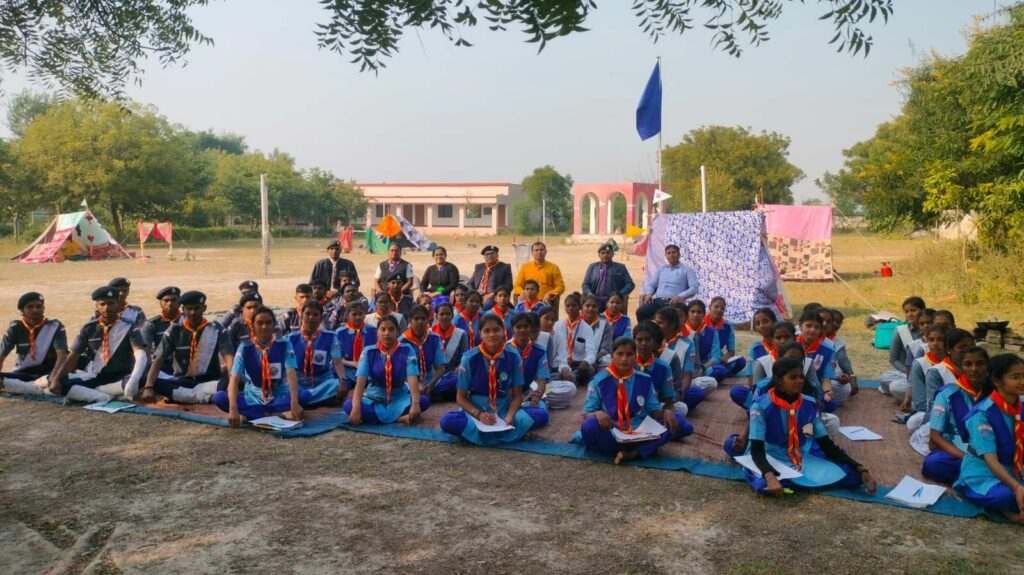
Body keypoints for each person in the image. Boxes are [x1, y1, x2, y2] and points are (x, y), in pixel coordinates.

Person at [729, 357, 877, 497]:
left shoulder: (810, 404)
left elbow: (827, 445)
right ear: (779, 380)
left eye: (801, 376)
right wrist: (769, 476)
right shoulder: (761, 406)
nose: (799, 381)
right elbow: (757, 449)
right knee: (765, 484)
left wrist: (860, 468)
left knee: (854, 476)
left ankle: (791, 481)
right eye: (793, 377)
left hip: (799, 455)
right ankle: (780, 479)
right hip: (769, 454)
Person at [439, 314, 548, 445]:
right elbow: (460, 397)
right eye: (487, 331)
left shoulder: (513, 356)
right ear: (480, 333)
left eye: (496, 330)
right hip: (476, 409)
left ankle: (485, 432)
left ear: (503, 331)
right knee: (447, 420)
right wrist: (479, 415)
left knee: (541, 415)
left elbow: (517, 396)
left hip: (504, 408)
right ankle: (510, 433)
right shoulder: (469, 358)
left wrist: (510, 416)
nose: (492, 334)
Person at [579, 337, 688, 464]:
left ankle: (633, 453)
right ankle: (642, 449)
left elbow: (653, 410)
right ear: (612, 356)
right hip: (611, 430)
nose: (624, 359)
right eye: (620, 354)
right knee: (589, 425)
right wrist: (597, 413)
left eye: (629, 354)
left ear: (635, 356)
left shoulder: (645, 379)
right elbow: (587, 413)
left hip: (638, 430)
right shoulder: (598, 381)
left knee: (676, 419)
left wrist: (665, 412)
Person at [955, 354, 1024, 522]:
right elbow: (991, 460)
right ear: (997, 381)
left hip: (1016, 471)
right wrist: (1016, 487)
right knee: (1007, 496)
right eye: (1016, 377)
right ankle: (1007, 509)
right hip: (983, 475)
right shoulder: (982, 415)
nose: (1022, 381)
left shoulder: (1021, 406)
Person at [214, 306, 310, 425]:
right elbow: (234, 379)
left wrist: (294, 403)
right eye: (260, 323)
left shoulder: (284, 345)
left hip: (278, 394)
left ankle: (253, 416)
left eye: (268, 323)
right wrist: (233, 409)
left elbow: (291, 373)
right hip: (253, 396)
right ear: (253, 326)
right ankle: (279, 415)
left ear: (274, 324)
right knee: (219, 398)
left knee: (305, 395)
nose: (264, 326)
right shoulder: (245, 348)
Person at [50, 286, 148, 403]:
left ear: (118, 305)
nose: (107, 307)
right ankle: (109, 396)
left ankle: (95, 394)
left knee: (138, 381)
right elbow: (72, 358)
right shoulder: (88, 328)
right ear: (97, 306)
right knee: (61, 385)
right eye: (102, 304)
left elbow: (140, 355)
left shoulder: (129, 326)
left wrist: (134, 379)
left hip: (122, 376)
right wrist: (56, 379)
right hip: (98, 376)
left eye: (111, 303)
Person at [140, 290, 233, 404]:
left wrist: (232, 382)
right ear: (183, 309)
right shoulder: (175, 330)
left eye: (197, 308)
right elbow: (159, 359)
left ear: (204, 308)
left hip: (210, 381)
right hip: (182, 381)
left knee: (233, 382)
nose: (193, 312)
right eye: (189, 309)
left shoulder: (216, 328)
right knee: (150, 383)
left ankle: (184, 396)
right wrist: (149, 387)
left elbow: (229, 356)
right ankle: (206, 398)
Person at [344, 315, 429, 425]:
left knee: (423, 401)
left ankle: (380, 418)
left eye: (391, 329)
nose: (387, 333)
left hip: (399, 398)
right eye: (383, 329)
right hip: (375, 398)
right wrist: (356, 408)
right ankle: (399, 419)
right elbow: (360, 382)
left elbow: (412, 378)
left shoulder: (407, 349)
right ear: (377, 332)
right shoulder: (368, 352)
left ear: (398, 332)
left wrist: (415, 404)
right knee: (348, 405)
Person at [923, 345, 989, 485]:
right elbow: (935, 436)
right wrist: (966, 458)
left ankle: (979, 476)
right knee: (934, 463)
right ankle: (984, 476)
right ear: (960, 367)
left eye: (980, 364)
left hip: (992, 451)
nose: (974, 369)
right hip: (961, 452)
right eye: (968, 364)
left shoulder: (997, 392)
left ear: (987, 366)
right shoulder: (948, 393)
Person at [633, 321, 694, 440]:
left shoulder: (663, 367)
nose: (643, 343)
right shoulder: (627, 363)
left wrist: (668, 412)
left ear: (655, 342)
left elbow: (669, 401)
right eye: (639, 340)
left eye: (648, 339)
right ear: (634, 341)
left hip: (654, 409)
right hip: (628, 410)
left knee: (685, 427)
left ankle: (654, 433)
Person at [0, 292, 68, 395]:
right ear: (22, 310)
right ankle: (35, 388)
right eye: (30, 307)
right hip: (23, 374)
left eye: (38, 306)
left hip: (48, 374)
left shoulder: (54, 326)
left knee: (59, 382)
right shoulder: (15, 328)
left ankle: (23, 387)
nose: (35, 310)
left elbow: (62, 355)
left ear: (43, 308)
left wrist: (55, 378)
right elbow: (1, 356)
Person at [287, 301, 345, 407]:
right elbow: (289, 368)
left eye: (315, 314)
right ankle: (315, 399)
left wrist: (343, 380)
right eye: (308, 313)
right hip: (299, 381)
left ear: (321, 318)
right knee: (287, 388)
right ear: (302, 315)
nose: (311, 317)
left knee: (337, 384)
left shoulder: (330, 337)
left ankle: (306, 399)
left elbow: (337, 362)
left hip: (323, 381)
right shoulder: (291, 338)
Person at [907, 324, 950, 455]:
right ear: (926, 340)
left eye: (940, 340)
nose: (935, 344)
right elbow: (921, 404)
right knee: (913, 422)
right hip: (932, 412)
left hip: (955, 413)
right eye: (931, 340)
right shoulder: (920, 363)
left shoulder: (956, 363)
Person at [652, 306, 700, 412]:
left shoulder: (687, 344)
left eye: (659, 323)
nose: (655, 326)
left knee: (689, 401)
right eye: (655, 322)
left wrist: (679, 393)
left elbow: (687, 375)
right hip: (652, 391)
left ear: (672, 325)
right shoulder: (651, 342)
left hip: (675, 387)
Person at [635, 244, 699, 322]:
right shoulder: (661, 269)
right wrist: (649, 293)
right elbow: (651, 285)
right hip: (657, 301)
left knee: (665, 318)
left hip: (673, 302)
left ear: (679, 255)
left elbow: (694, 288)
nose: (671, 255)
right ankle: (646, 329)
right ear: (666, 256)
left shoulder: (687, 270)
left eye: (674, 252)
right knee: (641, 312)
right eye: (668, 253)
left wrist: (680, 296)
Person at [880, 296, 927, 401]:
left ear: (922, 310)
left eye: (913, 310)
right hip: (909, 372)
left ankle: (918, 397)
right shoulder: (901, 330)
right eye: (906, 311)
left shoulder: (931, 329)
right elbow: (893, 359)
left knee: (895, 387)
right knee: (884, 378)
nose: (909, 314)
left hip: (928, 372)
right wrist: (908, 372)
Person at [508, 311, 551, 420]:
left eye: (525, 326)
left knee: (542, 414)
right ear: (512, 330)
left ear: (531, 328)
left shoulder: (539, 351)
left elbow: (542, 381)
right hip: (507, 395)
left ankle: (521, 415)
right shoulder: (504, 350)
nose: (522, 330)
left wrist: (535, 399)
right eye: (518, 327)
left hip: (528, 393)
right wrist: (519, 398)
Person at [400, 305, 446, 400]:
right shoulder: (402, 341)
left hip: (431, 380)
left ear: (428, 320)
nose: (420, 322)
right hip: (409, 381)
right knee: (421, 400)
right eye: (416, 319)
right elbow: (400, 371)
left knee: (454, 381)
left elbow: (440, 368)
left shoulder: (435, 338)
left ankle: (427, 394)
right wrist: (416, 385)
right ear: (410, 320)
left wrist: (430, 385)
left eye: (423, 318)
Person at [796, 309, 836, 412]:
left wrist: (827, 392)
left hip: (813, 389)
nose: (812, 330)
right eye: (808, 326)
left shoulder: (828, 350)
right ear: (800, 326)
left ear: (821, 330)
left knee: (830, 404)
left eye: (817, 327)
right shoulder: (790, 345)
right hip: (791, 386)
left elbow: (826, 379)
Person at [552, 293, 597, 385]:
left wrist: (586, 361)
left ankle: (569, 378)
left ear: (580, 307)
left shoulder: (586, 328)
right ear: (565, 308)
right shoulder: (558, 325)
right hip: (561, 363)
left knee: (590, 370)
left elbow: (591, 351)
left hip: (578, 365)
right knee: (554, 372)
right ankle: (571, 379)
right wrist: (562, 366)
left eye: (574, 305)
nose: (570, 308)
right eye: (568, 306)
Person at [513, 242, 565, 316]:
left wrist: (550, 293)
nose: (539, 252)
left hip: (544, 301)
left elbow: (561, 287)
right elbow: (516, 285)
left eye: (541, 250)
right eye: (536, 250)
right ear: (532, 253)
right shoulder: (525, 267)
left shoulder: (553, 268)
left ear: (545, 252)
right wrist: (523, 292)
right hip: (528, 300)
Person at [581, 242, 635, 312]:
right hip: (595, 298)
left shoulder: (620, 267)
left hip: (613, 300)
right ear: (599, 255)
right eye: (603, 253)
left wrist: (619, 294)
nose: (605, 255)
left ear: (612, 254)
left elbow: (630, 284)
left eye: (608, 253)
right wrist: (589, 293)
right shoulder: (592, 267)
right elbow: (585, 284)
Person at [430, 302, 469, 401]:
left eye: (448, 314)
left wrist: (458, 370)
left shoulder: (461, 334)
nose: (445, 317)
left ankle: (433, 393)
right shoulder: (429, 333)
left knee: (458, 380)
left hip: (452, 374)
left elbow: (465, 358)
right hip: (433, 375)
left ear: (452, 315)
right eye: (442, 314)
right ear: (436, 316)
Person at [336, 301, 377, 391]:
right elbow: (338, 359)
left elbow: (377, 354)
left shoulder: (373, 331)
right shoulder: (340, 333)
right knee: (341, 386)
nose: (357, 317)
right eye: (354, 314)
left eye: (360, 314)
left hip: (369, 368)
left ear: (365, 315)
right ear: (348, 316)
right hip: (348, 369)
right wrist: (354, 364)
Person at [141, 286, 182, 375]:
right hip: (162, 364)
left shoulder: (187, 320)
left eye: (174, 300)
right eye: (166, 300)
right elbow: (146, 350)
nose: (170, 303)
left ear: (179, 303)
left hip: (184, 364)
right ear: (160, 303)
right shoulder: (151, 324)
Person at [704, 297, 746, 379]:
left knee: (741, 361)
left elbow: (731, 351)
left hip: (720, 359)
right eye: (716, 306)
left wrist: (726, 357)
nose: (719, 310)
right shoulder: (701, 323)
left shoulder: (728, 326)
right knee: (719, 370)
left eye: (722, 308)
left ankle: (721, 373)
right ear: (710, 307)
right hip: (704, 361)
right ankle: (719, 372)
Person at [825, 308, 858, 407]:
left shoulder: (838, 342)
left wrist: (851, 377)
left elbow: (843, 360)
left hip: (829, 377)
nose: (835, 324)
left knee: (845, 389)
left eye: (838, 322)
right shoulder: (811, 337)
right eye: (832, 321)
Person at [469, 245, 513, 311]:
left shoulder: (504, 267)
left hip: (493, 296)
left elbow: (508, 285)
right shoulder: (479, 267)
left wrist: (493, 294)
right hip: (477, 295)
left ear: (497, 255)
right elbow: (470, 283)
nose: (490, 256)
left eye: (492, 253)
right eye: (487, 254)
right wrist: (474, 294)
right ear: (484, 257)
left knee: (486, 306)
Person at [581, 294, 612, 369]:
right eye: (587, 306)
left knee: (609, 361)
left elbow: (605, 348)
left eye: (594, 306)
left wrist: (592, 359)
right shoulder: (577, 323)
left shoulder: (605, 324)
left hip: (597, 359)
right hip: (577, 358)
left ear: (598, 309)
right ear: (582, 308)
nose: (591, 309)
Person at [747, 308, 777, 386]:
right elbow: (751, 376)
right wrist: (754, 391)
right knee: (737, 391)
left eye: (765, 321)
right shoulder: (755, 348)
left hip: (782, 386)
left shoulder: (783, 344)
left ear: (774, 322)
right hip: (762, 387)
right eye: (758, 323)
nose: (762, 326)